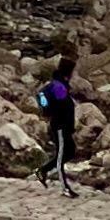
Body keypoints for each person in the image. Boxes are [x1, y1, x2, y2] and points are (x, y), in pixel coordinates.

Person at [36, 56, 81, 196]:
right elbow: (63, 107)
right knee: (62, 154)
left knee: (71, 151)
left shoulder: (59, 84)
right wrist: (49, 112)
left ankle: (43, 170)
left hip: (64, 126)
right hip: (60, 126)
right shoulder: (58, 87)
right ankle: (65, 188)